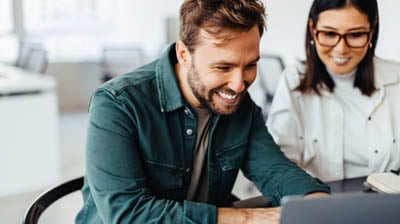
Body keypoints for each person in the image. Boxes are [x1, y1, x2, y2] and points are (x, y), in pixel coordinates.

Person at [75, 0, 330, 223]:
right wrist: (246, 218)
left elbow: (275, 171)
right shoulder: (117, 104)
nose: (239, 84)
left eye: (250, 65)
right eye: (223, 67)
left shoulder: (240, 104)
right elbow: (127, 214)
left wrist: (318, 204)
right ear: (184, 54)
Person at [267, 0, 400, 182]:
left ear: (372, 32)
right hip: (317, 204)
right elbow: (278, 162)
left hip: (387, 205)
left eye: (355, 35)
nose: (341, 49)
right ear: (313, 29)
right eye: (329, 33)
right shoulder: (293, 80)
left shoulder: (397, 79)